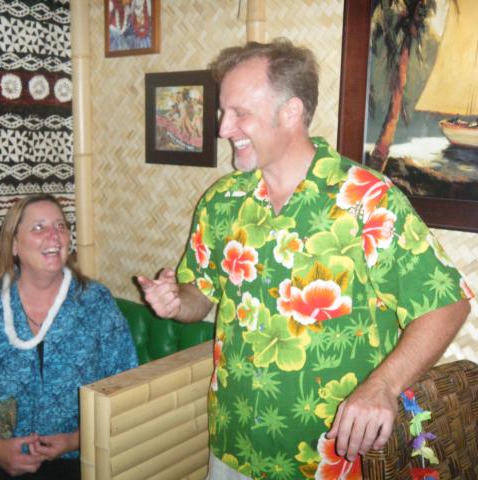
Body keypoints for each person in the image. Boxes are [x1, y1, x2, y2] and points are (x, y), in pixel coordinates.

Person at [138, 39, 473, 479]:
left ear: (290, 112)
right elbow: (200, 295)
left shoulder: (366, 199)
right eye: (222, 112)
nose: (223, 129)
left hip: (334, 457)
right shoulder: (221, 201)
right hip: (234, 441)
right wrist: (175, 301)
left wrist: (383, 386)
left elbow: (447, 304)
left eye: (239, 113)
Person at [0, 194, 138, 480]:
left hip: (75, 451)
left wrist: (74, 440)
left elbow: (124, 388)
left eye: (60, 226)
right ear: (14, 245)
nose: (54, 235)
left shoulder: (96, 302)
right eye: (38, 227)